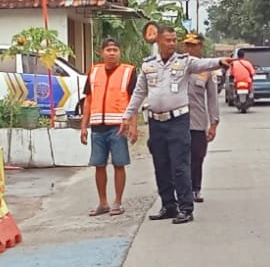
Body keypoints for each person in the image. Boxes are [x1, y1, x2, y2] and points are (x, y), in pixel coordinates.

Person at [121, 28, 232, 224]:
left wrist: (219, 62)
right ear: (159, 42)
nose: (172, 44)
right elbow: (139, 93)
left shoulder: (184, 62)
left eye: (174, 40)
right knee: (161, 165)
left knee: (180, 165)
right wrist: (127, 116)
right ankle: (168, 206)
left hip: (179, 121)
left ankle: (186, 208)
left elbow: (202, 63)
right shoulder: (148, 65)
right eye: (168, 40)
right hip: (156, 121)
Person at [80, 36, 135, 216]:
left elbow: (134, 101)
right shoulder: (94, 72)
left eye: (115, 50)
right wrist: (83, 126)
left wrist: (133, 127)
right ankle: (103, 203)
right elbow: (88, 101)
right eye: (108, 50)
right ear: (101, 53)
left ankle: (117, 202)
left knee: (119, 164)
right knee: (99, 165)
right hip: (97, 127)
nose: (111, 53)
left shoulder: (128, 72)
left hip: (118, 126)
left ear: (120, 53)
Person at [181, 32, 220, 204]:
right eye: (187, 45)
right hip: (178, 121)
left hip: (197, 121)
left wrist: (213, 123)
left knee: (197, 156)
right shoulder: (177, 66)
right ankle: (182, 190)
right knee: (180, 158)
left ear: (200, 47)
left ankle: (195, 188)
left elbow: (212, 98)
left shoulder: (206, 70)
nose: (189, 48)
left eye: (193, 45)